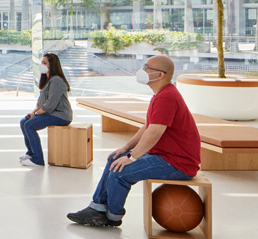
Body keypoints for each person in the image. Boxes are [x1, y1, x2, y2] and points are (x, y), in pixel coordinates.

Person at [67, 55, 201, 228]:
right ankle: (97, 208)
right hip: (165, 156)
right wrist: (125, 149)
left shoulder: (166, 97)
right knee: (114, 160)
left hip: (178, 163)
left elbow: (154, 132)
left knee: (120, 172)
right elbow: (147, 127)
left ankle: (112, 217)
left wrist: (132, 158)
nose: (142, 71)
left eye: (146, 68)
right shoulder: (160, 95)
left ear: (160, 75)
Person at [20, 52, 73, 167]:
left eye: (44, 63)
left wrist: (37, 115)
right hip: (51, 113)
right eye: (41, 62)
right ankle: (31, 153)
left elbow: (50, 104)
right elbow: (40, 103)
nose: (41, 65)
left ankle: (38, 159)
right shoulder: (47, 80)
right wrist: (33, 113)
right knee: (24, 121)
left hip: (61, 115)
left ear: (51, 66)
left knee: (29, 125)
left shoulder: (57, 81)